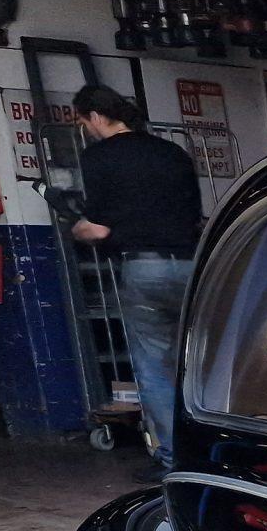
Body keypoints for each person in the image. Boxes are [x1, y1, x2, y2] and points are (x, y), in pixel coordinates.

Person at [67, 84, 203, 471]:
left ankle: (175, 461)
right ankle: (213, 452)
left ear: (95, 117)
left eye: (83, 121)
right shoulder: (173, 153)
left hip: (144, 269)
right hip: (193, 266)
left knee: (155, 367)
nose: (86, 129)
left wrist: (76, 228)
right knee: (198, 362)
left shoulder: (99, 157)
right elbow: (195, 215)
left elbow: (99, 229)